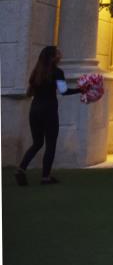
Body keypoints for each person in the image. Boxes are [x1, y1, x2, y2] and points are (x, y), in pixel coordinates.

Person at [14, 46, 81, 186]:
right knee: (50, 144)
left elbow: (29, 92)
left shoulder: (36, 72)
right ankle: (45, 177)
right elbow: (63, 91)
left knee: (37, 143)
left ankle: (21, 169)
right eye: (58, 53)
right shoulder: (57, 72)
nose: (60, 54)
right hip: (49, 111)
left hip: (35, 110)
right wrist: (81, 90)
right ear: (52, 57)